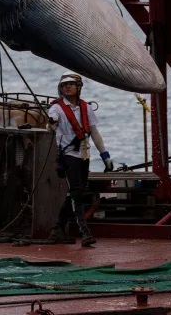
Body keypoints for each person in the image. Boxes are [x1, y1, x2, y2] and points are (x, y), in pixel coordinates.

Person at [47, 72, 113, 247]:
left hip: (84, 155)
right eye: (64, 85)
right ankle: (85, 232)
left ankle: (57, 229)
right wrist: (51, 122)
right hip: (68, 156)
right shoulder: (57, 108)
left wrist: (104, 155)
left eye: (71, 84)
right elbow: (51, 123)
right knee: (76, 192)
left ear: (78, 87)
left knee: (76, 193)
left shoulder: (86, 108)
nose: (67, 87)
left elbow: (94, 132)